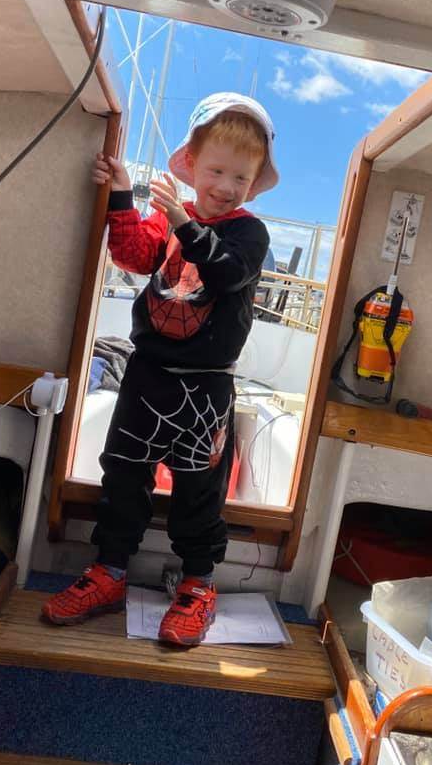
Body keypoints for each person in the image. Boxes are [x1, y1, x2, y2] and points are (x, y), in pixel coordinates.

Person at [41, 93, 278, 645]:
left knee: (201, 490)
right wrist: (123, 193)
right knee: (123, 475)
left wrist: (182, 221)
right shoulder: (166, 217)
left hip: (208, 387)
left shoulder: (250, 234)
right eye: (216, 171)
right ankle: (109, 571)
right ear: (192, 165)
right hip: (146, 375)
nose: (226, 186)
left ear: (253, 185)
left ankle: (197, 584)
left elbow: (226, 273)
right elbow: (132, 254)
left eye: (240, 178)